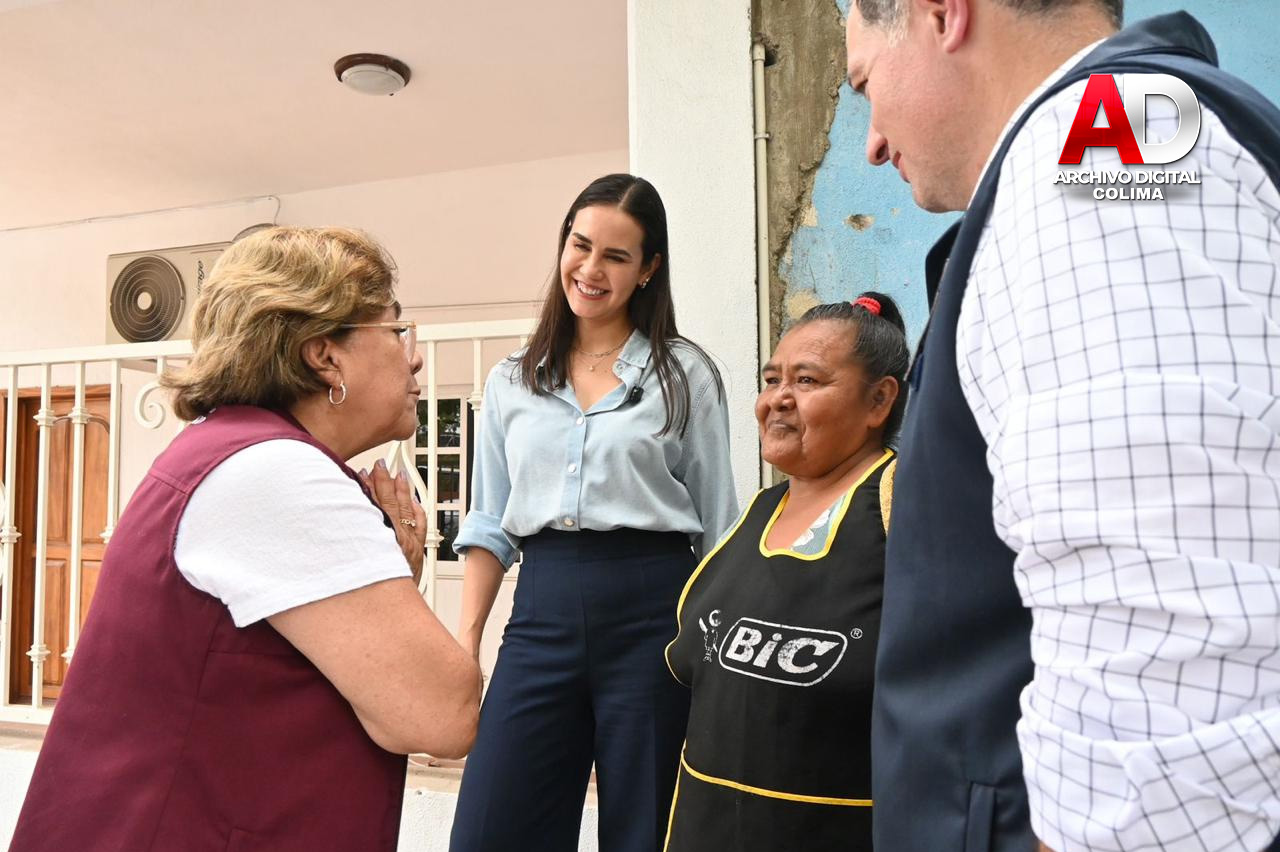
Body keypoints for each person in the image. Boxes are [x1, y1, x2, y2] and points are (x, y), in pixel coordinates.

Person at [844, 1, 1280, 851]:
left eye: (865, 84)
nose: (873, 140)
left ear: (942, 13)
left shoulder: (1102, 145)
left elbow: (1168, 673)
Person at [9, 227, 481, 852]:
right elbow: (443, 716)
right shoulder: (278, 474)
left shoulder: (233, 452)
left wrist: (392, 570)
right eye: (397, 331)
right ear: (325, 356)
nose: (413, 357)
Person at [448, 173, 739, 852]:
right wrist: (467, 642)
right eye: (580, 246)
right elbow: (489, 524)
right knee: (493, 823)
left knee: (646, 827)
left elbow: (718, 528)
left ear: (648, 269)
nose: (591, 269)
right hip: (541, 612)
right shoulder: (512, 379)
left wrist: (714, 657)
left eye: (616, 255)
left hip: (654, 615)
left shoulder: (683, 376)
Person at [663, 293, 908, 852]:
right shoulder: (755, 516)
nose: (778, 399)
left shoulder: (904, 512)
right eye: (772, 379)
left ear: (878, 401)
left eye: (807, 380)